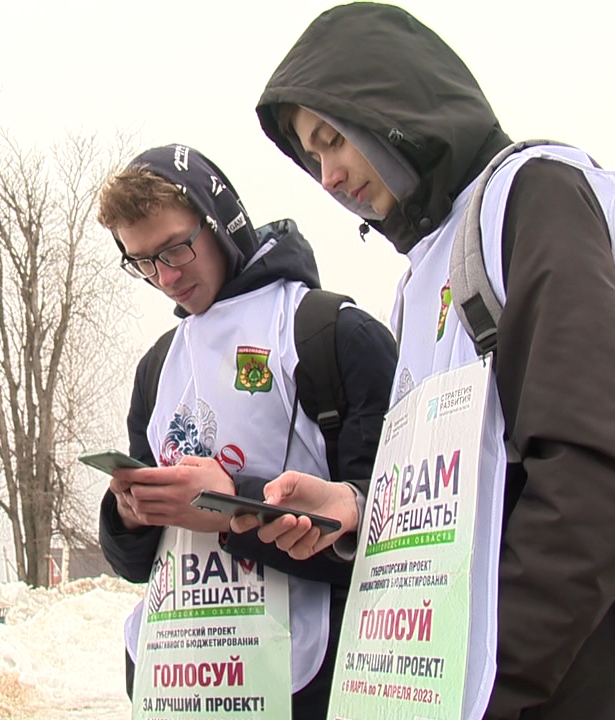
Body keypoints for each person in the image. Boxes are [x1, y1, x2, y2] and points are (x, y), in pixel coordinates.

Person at [241, 4, 615, 719]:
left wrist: (486, 686)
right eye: (311, 157)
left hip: (556, 683)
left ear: (388, 105)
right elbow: (471, 492)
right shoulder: (418, 276)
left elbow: (607, 478)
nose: (328, 174)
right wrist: (357, 509)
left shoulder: (532, 195)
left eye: (332, 139)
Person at [96, 144, 397, 718]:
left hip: (309, 682)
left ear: (219, 220)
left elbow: (391, 539)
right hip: (176, 681)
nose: (166, 276)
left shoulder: (333, 335)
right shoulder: (159, 367)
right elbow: (137, 565)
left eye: (176, 247)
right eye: (142, 261)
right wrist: (131, 514)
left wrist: (232, 505)